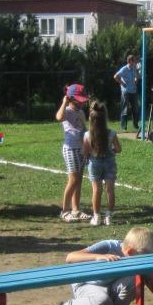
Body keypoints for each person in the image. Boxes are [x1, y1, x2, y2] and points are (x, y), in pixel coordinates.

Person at [51, 226, 153, 305]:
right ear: (130, 252)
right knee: (102, 302)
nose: (146, 263)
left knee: (136, 280)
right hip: (87, 283)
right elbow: (70, 257)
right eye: (145, 259)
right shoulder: (109, 246)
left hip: (110, 285)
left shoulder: (140, 259)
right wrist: (97, 257)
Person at [82, 101, 121, 227]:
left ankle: (97, 216)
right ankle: (108, 216)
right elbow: (118, 149)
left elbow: (85, 152)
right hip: (109, 161)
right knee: (110, 190)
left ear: (91, 119)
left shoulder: (87, 135)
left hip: (94, 163)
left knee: (96, 190)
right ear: (105, 119)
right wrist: (112, 150)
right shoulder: (112, 133)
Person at [56, 83, 89, 222]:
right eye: (79, 101)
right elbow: (59, 117)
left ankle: (76, 210)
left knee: (79, 180)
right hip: (70, 149)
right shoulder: (67, 111)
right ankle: (65, 211)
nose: (81, 103)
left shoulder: (80, 112)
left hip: (81, 148)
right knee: (73, 180)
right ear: (70, 98)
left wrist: (88, 142)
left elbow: (84, 128)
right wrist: (64, 102)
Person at [113, 55, 141, 133]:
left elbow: (137, 77)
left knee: (135, 108)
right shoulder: (124, 69)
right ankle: (124, 127)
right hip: (126, 91)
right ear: (129, 61)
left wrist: (136, 78)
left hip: (133, 91)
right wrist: (122, 83)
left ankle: (136, 125)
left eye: (135, 61)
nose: (135, 62)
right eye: (133, 61)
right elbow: (115, 76)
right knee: (125, 109)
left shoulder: (134, 68)